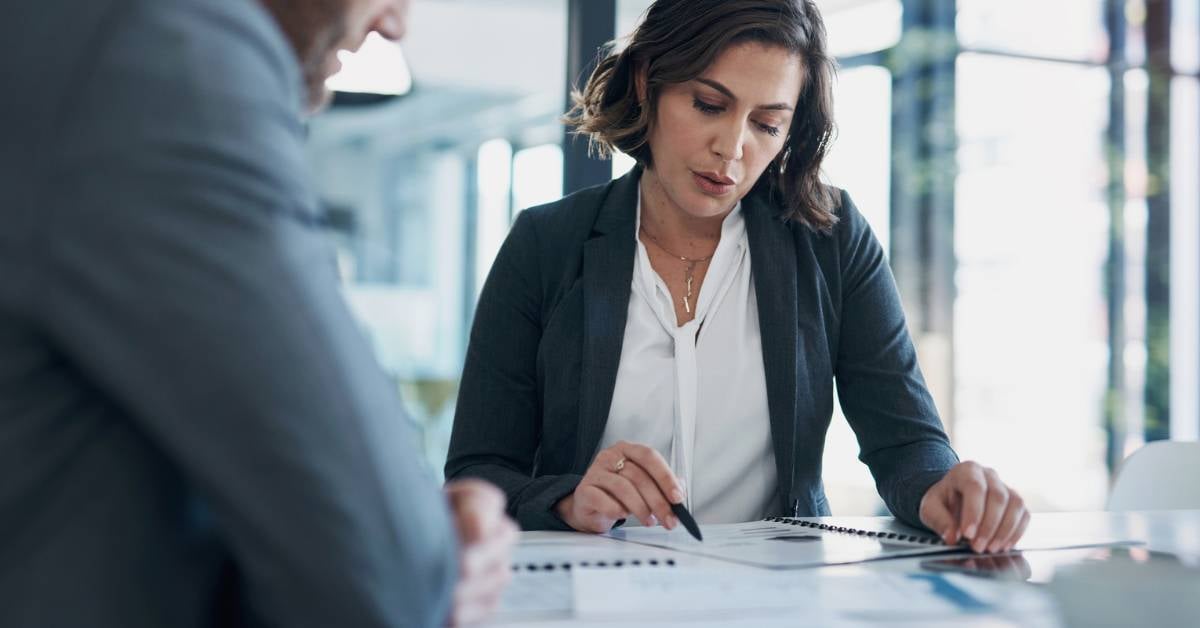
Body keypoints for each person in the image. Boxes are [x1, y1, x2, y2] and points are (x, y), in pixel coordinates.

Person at [446, 0, 1028, 555]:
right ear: (649, 82)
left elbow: (906, 442)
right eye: (708, 105)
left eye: (767, 125)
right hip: (592, 589)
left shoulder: (833, 238)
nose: (732, 149)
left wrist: (944, 489)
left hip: (773, 595)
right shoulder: (545, 243)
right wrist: (570, 499)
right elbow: (478, 470)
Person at [0, 0, 515, 626]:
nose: (395, 24)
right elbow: (381, 585)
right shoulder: (162, 51)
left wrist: (410, 529)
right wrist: (424, 548)